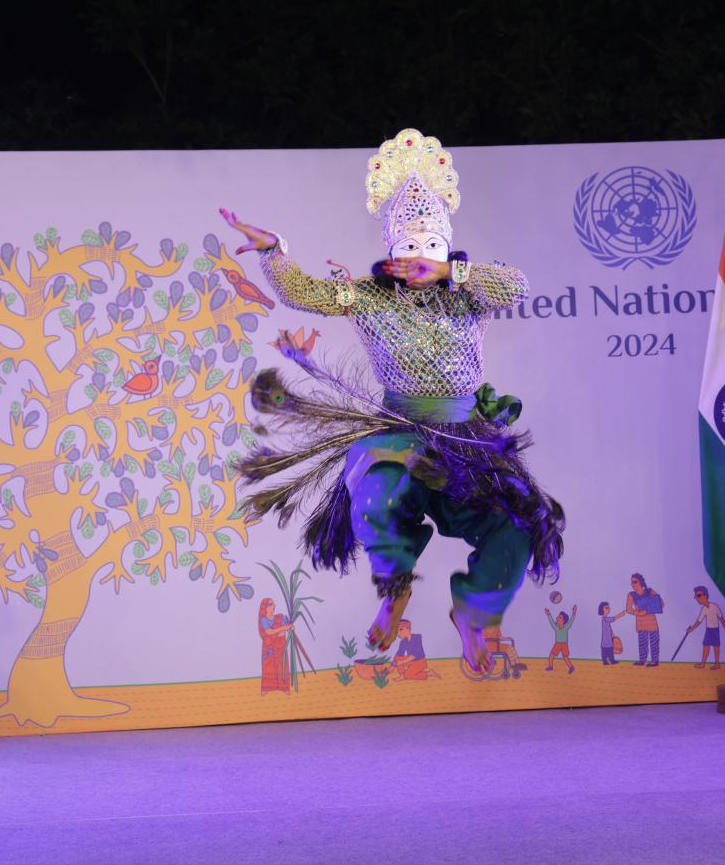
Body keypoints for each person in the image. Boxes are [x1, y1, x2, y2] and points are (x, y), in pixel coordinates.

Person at [222, 128, 564, 676]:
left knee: (518, 520)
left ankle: (475, 614)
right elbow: (305, 293)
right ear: (392, 255)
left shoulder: (466, 288)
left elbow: (518, 287)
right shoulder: (368, 296)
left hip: (463, 437)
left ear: (443, 251)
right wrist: (273, 252)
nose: (418, 267)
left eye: (428, 255)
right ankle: (396, 586)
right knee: (376, 495)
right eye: (408, 256)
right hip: (397, 429)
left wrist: (452, 272)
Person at [685, 586, 725, 669]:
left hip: (715, 630)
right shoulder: (704, 609)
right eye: (696, 596)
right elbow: (698, 621)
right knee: (706, 645)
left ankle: (717, 664)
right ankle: (703, 663)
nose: (697, 598)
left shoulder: (715, 607)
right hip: (708, 630)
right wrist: (691, 629)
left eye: (698, 595)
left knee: (716, 646)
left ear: (705, 596)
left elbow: (721, 617)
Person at [258, 598, 295, 694]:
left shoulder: (280, 617)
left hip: (280, 647)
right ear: (265, 608)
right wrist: (282, 629)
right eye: (271, 604)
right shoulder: (264, 620)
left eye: (274, 604)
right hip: (269, 648)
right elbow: (268, 632)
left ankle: (285, 687)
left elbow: (289, 626)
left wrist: (290, 627)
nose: (274, 606)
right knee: (269, 666)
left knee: (282, 665)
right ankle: (266, 688)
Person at [626, 573, 664, 667]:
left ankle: (655, 661)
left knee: (654, 643)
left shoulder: (650, 591)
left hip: (652, 623)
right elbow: (628, 609)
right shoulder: (631, 595)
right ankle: (642, 660)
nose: (633, 584)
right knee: (642, 643)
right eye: (631, 582)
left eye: (635, 582)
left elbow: (661, 604)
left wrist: (647, 610)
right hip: (641, 624)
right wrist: (638, 613)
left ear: (641, 582)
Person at [545, 605, 577, 674]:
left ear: (563, 621)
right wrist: (549, 614)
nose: (557, 618)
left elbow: (571, 621)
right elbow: (552, 622)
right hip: (557, 644)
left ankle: (571, 667)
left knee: (565, 657)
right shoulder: (556, 627)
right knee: (551, 655)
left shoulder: (566, 627)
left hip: (564, 644)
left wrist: (574, 613)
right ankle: (550, 666)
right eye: (558, 616)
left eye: (560, 617)